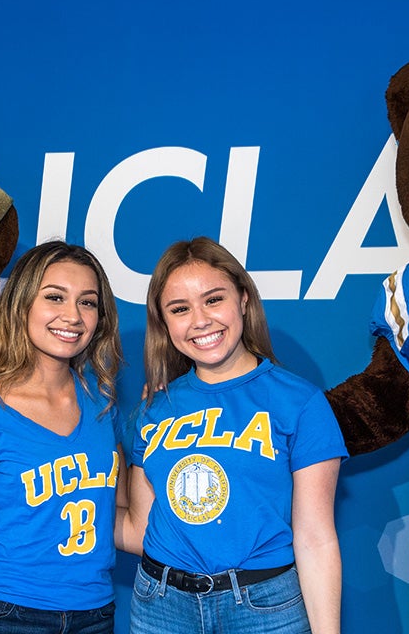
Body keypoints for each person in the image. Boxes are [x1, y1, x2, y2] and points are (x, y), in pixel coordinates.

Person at [123, 237, 346, 634]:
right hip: (160, 605)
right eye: (180, 309)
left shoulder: (300, 402)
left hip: (263, 608)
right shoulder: (154, 407)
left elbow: (314, 537)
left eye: (213, 300)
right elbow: (139, 527)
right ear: (164, 321)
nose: (200, 321)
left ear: (243, 298)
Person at [0, 241, 125, 634]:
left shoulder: (102, 405)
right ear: (21, 305)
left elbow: (123, 517)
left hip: (95, 614)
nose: (72, 316)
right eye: (55, 297)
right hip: (9, 616)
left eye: (87, 302)